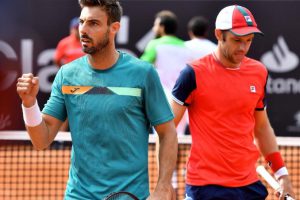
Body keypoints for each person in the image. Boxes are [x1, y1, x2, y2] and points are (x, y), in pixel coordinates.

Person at [16, 0, 177, 199]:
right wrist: (29, 104)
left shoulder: (143, 74)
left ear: (114, 28)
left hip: (129, 195)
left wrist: (162, 187)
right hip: (79, 195)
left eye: (93, 23)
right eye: (82, 22)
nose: (83, 29)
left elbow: (167, 132)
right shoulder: (67, 75)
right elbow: (41, 140)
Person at [171, 5, 295, 200]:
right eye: (237, 40)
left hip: (248, 185)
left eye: (249, 41)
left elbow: (261, 128)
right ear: (219, 34)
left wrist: (282, 175)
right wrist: (164, 182)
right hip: (205, 187)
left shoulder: (259, 72)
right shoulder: (192, 74)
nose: (243, 48)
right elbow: (168, 128)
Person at [140, 10, 192, 135]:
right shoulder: (185, 47)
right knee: (178, 139)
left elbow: (141, 66)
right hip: (183, 100)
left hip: (162, 99)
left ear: (162, 27)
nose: (154, 28)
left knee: (161, 138)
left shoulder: (154, 44)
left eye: (156, 25)